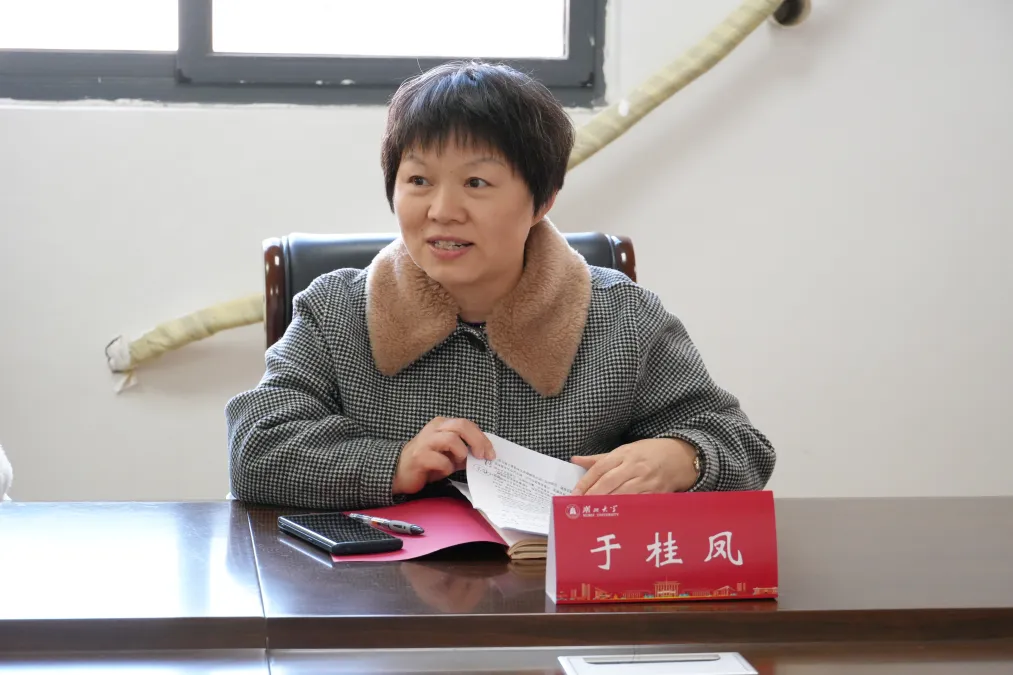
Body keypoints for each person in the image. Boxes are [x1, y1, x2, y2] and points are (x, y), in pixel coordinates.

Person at [225, 61, 775, 510]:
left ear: (543, 200)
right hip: (378, 594)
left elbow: (741, 445)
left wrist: (683, 458)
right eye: (418, 180)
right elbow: (255, 449)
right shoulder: (337, 310)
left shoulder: (621, 317)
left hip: (560, 593)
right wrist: (392, 463)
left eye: (476, 182)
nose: (442, 210)